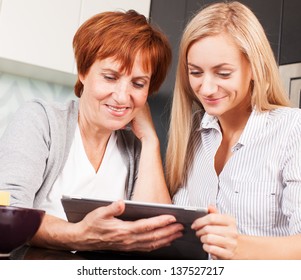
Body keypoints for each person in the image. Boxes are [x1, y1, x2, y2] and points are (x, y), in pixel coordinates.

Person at [0, 10, 183, 252]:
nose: (121, 96)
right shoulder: (40, 119)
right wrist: (79, 235)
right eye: (110, 77)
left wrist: (150, 140)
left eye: (138, 84)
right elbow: (7, 214)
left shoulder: (136, 149)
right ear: (84, 72)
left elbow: (156, 235)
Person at [166, 1, 301, 259]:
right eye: (196, 72)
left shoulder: (293, 129)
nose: (206, 88)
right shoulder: (192, 136)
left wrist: (237, 245)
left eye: (223, 73)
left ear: (253, 68)